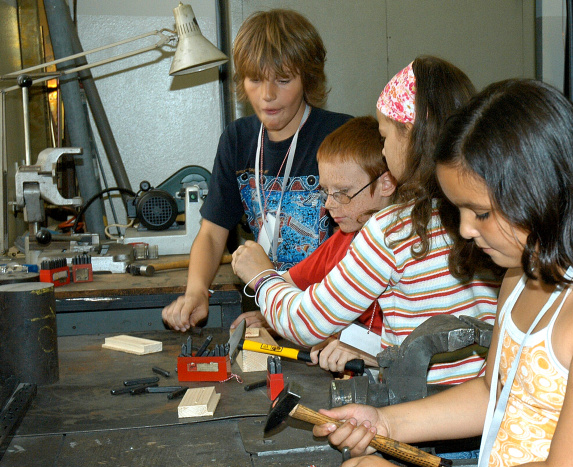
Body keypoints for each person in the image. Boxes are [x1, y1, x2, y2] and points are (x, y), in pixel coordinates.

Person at [312, 79, 573, 467]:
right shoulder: (522, 274)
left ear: (542, 190)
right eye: (458, 211)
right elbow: (496, 393)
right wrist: (385, 423)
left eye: (480, 212)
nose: (465, 229)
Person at [231, 56, 501, 382]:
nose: (384, 153)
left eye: (385, 138)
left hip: (419, 412)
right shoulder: (488, 217)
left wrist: (261, 278)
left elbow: (304, 323)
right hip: (480, 409)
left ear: (412, 136)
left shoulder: (393, 230)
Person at [162, 9, 351, 332]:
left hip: (332, 311)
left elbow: (357, 252)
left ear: (308, 77)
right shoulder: (238, 140)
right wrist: (196, 292)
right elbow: (211, 233)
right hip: (271, 303)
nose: (267, 95)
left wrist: (282, 316)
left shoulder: (341, 138)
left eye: (283, 80)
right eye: (255, 79)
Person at [233, 116, 396, 371]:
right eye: (325, 191)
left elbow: (415, 346)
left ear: (386, 183)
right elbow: (291, 284)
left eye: (342, 192)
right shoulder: (343, 240)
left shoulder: (396, 242)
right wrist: (272, 316)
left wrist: (262, 276)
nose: (328, 204)